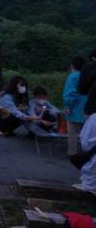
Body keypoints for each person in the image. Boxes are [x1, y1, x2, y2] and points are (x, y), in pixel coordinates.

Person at [77, 48, 96, 193]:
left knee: (89, 144)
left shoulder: (90, 67)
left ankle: (89, 185)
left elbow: (82, 88)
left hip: (94, 111)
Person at [63, 56, 87, 156]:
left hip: (74, 110)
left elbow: (71, 93)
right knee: (87, 134)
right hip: (87, 109)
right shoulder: (87, 75)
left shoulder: (73, 76)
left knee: (72, 134)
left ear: (72, 66)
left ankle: (73, 154)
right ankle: (89, 155)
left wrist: (67, 106)